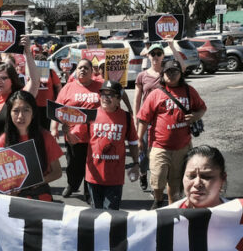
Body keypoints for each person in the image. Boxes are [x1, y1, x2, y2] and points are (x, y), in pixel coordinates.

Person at [137, 60, 207, 209]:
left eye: (175, 71)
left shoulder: (189, 91)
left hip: (182, 147)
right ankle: (157, 200)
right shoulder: (156, 94)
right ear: (163, 75)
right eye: (168, 72)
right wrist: (139, 140)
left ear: (181, 74)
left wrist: (196, 116)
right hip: (159, 146)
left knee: (176, 180)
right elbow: (143, 118)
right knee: (158, 177)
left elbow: (202, 108)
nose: (172, 74)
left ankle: (172, 208)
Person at [0, 90, 63, 201]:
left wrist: (38, 181)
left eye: (26, 110)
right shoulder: (2, 141)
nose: (21, 116)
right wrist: (8, 190)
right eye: (16, 111)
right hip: (14, 202)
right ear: (9, 113)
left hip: (41, 199)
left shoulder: (45, 137)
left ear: (33, 113)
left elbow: (57, 172)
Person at [51, 58, 102, 200]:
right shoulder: (68, 87)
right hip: (73, 135)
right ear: (76, 70)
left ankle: (88, 192)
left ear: (92, 71)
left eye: (86, 68)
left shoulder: (101, 85)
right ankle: (72, 185)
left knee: (91, 165)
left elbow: (117, 96)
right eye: (80, 67)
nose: (83, 70)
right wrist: (54, 128)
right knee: (73, 164)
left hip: (95, 135)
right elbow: (57, 109)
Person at [85, 80, 140, 210]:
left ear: (118, 99)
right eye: (103, 94)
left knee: (111, 216)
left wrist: (136, 164)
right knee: (96, 215)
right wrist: (67, 131)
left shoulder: (126, 117)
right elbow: (77, 138)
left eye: (110, 95)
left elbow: (133, 143)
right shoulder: (91, 114)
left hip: (115, 178)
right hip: (94, 176)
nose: (105, 98)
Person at [133, 42, 165, 191]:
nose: (156, 56)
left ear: (163, 56)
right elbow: (137, 99)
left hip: (162, 119)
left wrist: (171, 46)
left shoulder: (167, 74)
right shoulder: (142, 76)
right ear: (148, 55)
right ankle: (143, 173)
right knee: (143, 150)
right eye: (153, 53)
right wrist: (135, 119)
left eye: (159, 53)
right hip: (145, 120)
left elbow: (182, 68)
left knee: (158, 151)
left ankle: (156, 182)